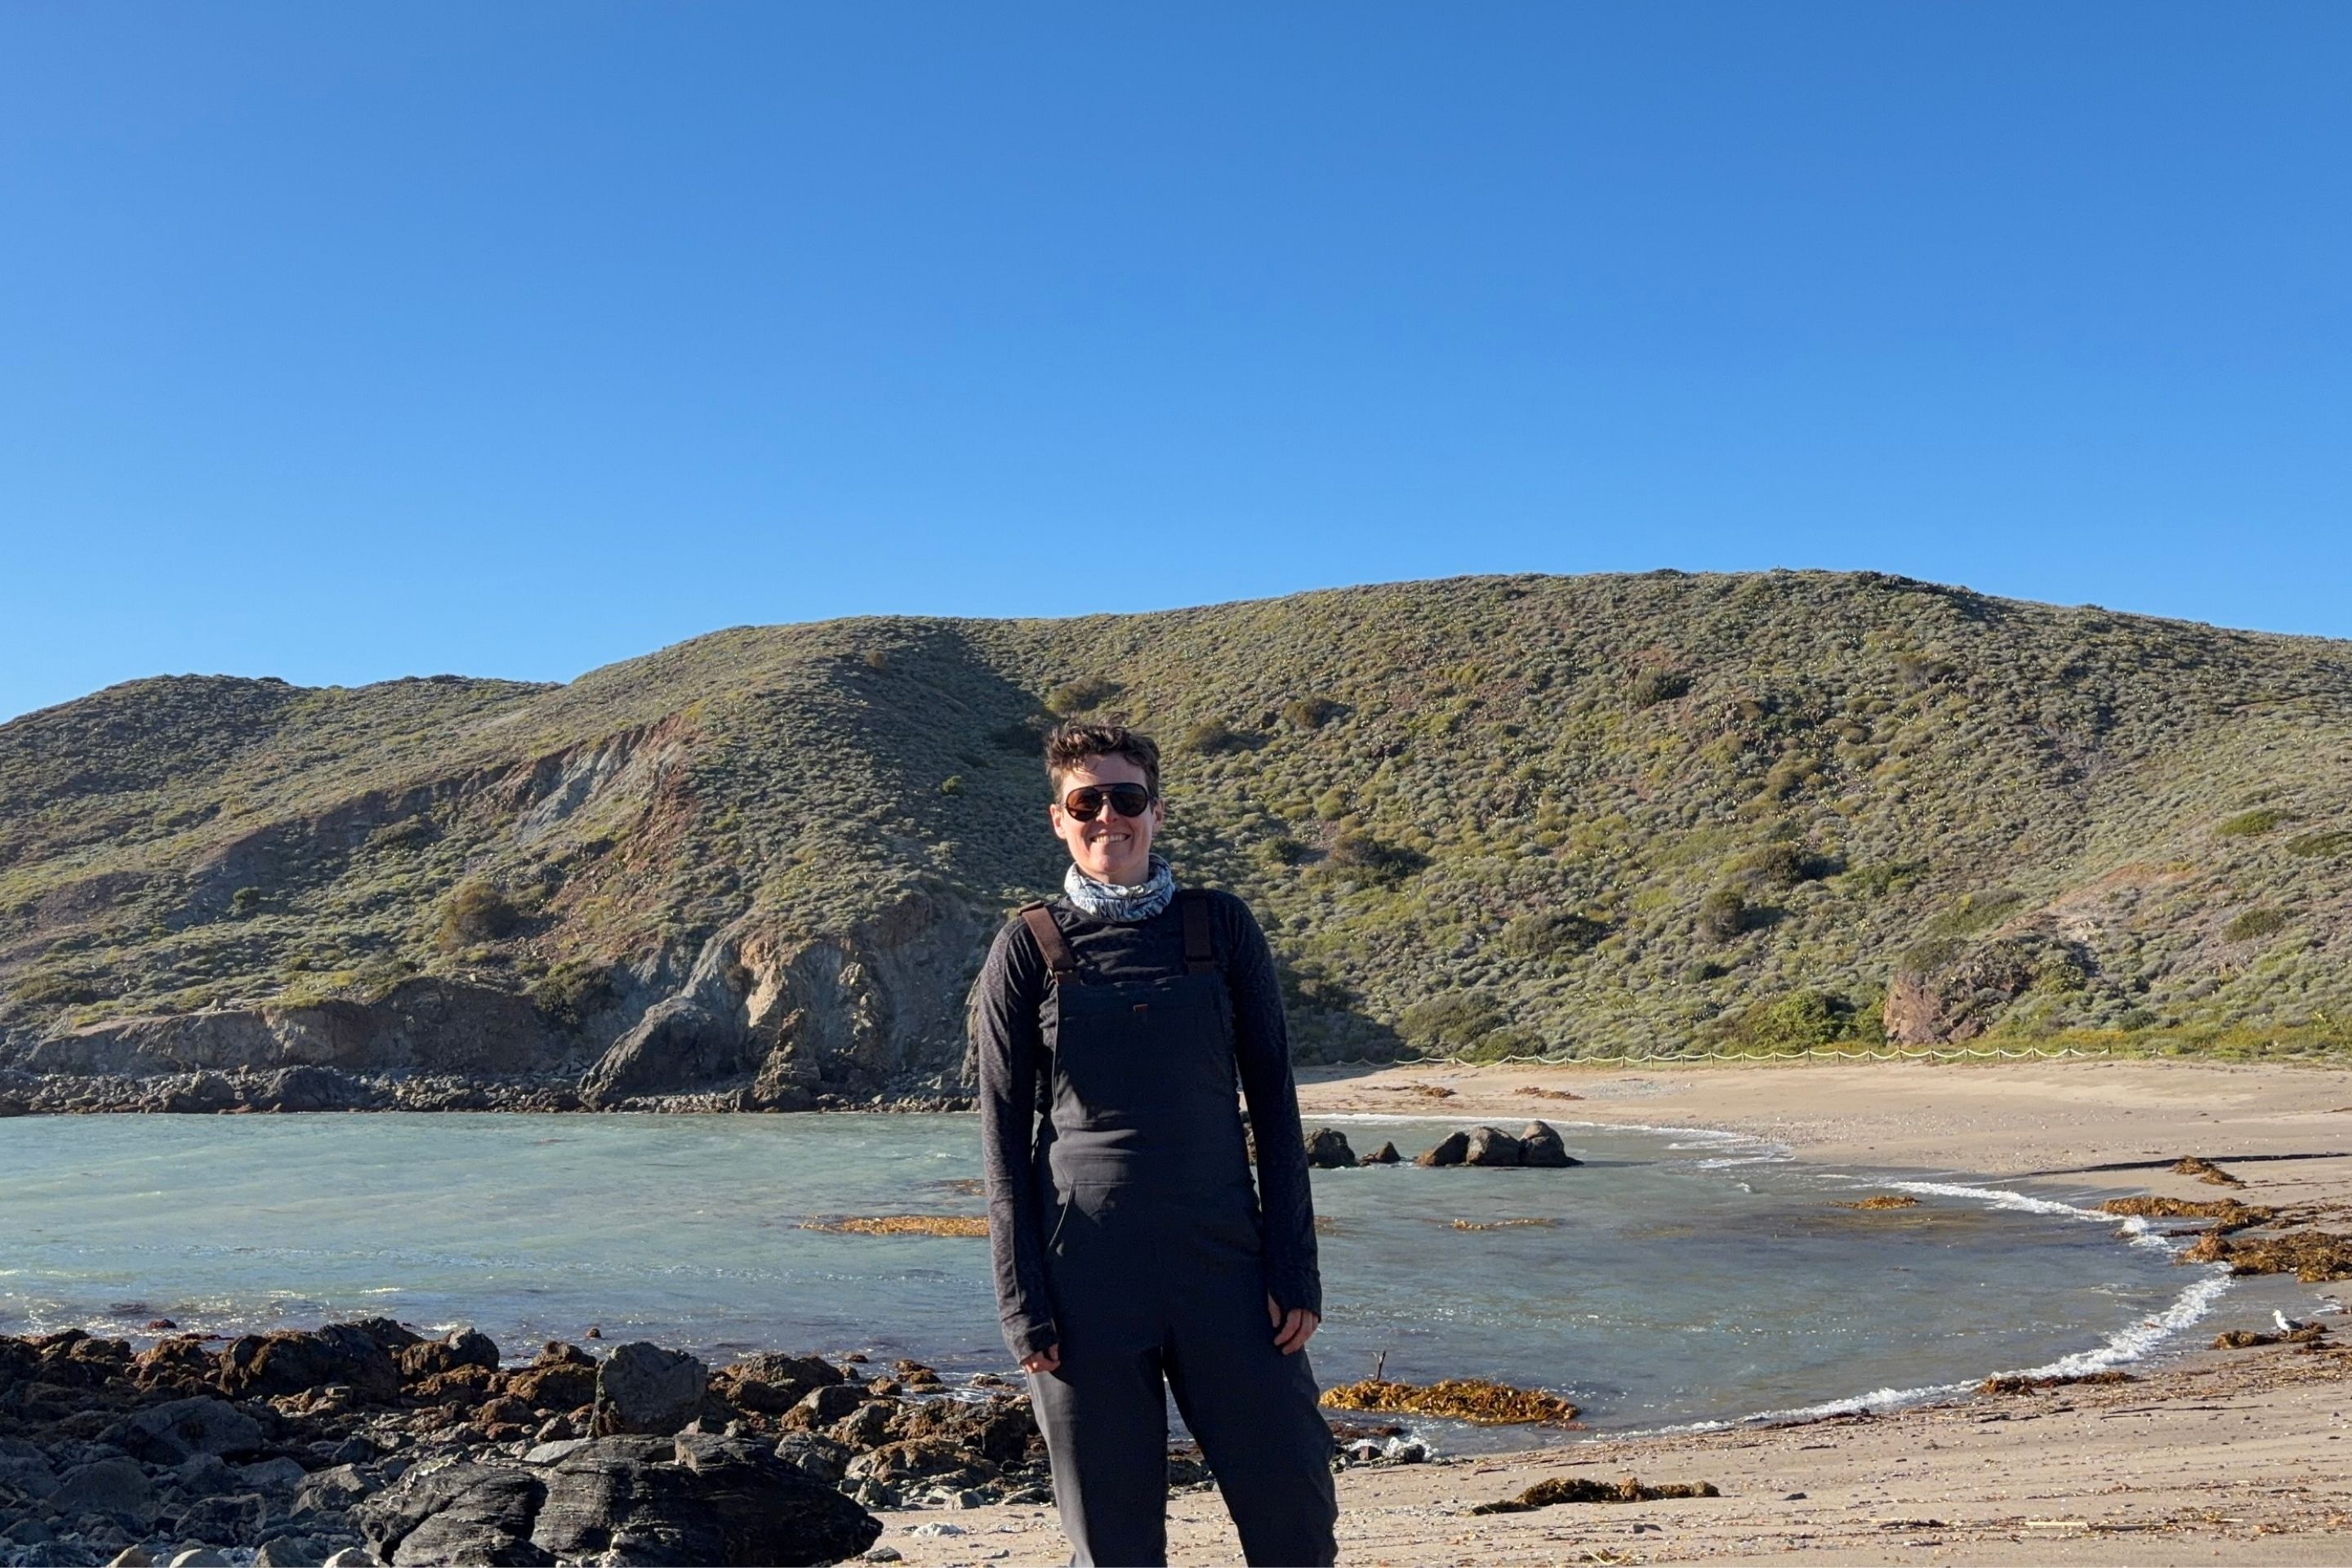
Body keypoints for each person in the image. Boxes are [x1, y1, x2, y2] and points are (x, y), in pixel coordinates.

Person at [970, 719, 1339, 1567]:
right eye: (1086, 801)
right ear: (1058, 818)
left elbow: (1277, 1108)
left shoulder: (1222, 927)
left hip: (1228, 1268)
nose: (1109, 816)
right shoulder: (1026, 947)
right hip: (1083, 1278)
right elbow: (999, 1134)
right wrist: (1021, 1301)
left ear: (1157, 811)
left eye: (1125, 798)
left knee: (1294, 1516)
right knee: (1114, 1544)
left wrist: (1295, 1268)